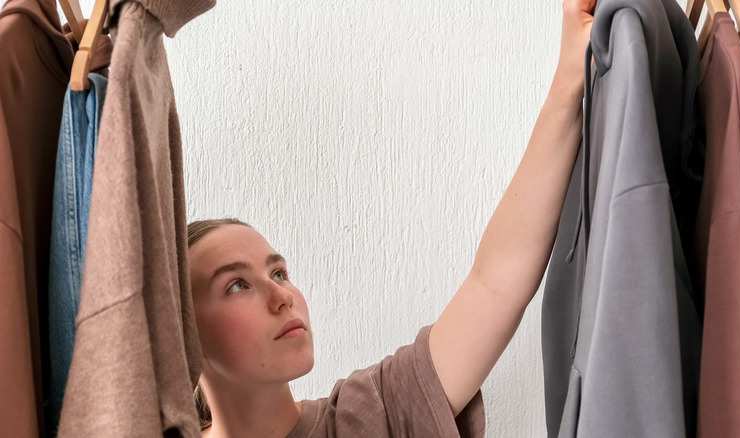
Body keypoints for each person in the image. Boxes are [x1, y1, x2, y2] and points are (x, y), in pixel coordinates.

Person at [186, 0, 596, 436]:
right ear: (182, 338)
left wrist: (570, 77)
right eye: (237, 285)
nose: (282, 296)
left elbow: (497, 281)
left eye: (280, 272)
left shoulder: (369, 417)